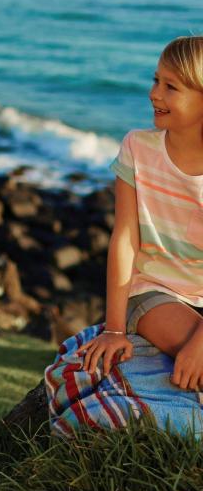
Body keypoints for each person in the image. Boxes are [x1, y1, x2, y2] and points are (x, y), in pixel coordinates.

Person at [80, 36, 203, 393]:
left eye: (171, 87)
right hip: (154, 292)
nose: (154, 94)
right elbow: (125, 237)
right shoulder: (138, 147)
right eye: (155, 80)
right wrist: (114, 329)